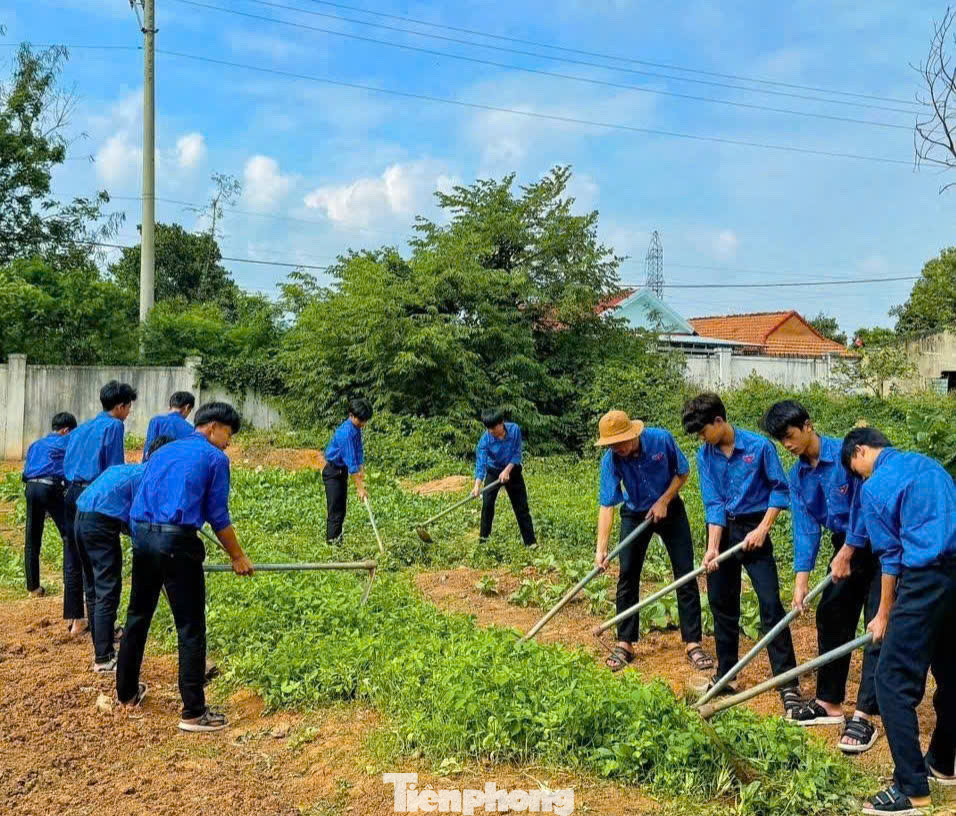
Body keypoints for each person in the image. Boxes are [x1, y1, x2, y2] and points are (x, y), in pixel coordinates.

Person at [117, 402, 254, 731]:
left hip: (143, 537)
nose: (229, 442)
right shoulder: (215, 458)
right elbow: (218, 515)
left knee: (137, 617)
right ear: (213, 427)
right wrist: (237, 556)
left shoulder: (163, 452)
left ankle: (127, 694)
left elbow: (143, 494)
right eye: (228, 434)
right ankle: (193, 711)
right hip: (177, 543)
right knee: (190, 627)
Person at [842, 428, 956, 816]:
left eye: (855, 470)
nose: (860, 477)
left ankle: (911, 789)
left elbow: (890, 557)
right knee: (951, 671)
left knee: (890, 680)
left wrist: (884, 613)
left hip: (923, 578)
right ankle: (942, 760)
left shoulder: (874, 487)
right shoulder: (931, 466)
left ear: (860, 452)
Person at [762, 401, 882, 753]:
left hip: (880, 544)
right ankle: (829, 702)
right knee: (831, 614)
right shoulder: (798, 476)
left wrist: (849, 550)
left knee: (877, 625)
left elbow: (865, 504)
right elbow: (805, 529)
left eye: (790, 435)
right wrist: (801, 582)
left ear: (808, 425)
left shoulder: (845, 456)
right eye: (780, 439)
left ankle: (864, 714)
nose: (787, 444)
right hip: (843, 546)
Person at [681, 392, 804, 718]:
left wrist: (763, 528)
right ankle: (727, 673)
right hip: (724, 532)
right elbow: (714, 504)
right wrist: (712, 548)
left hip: (756, 529)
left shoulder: (759, 447)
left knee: (769, 604)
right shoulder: (705, 456)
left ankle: (787, 681)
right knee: (723, 604)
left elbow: (780, 489)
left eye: (704, 431)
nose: (702, 439)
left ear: (719, 421)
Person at [593, 410, 713, 673]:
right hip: (635, 513)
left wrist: (664, 500)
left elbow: (682, 472)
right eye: (612, 445)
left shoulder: (661, 440)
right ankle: (625, 642)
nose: (618, 449)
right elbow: (606, 506)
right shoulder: (611, 459)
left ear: (634, 433)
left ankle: (692, 642)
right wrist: (601, 549)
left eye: (621, 442)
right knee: (627, 575)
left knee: (685, 573)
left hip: (670, 509)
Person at [74, 435, 174, 672]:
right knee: (108, 588)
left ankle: (102, 642)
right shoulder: (148, 477)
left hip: (80, 517)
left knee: (94, 586)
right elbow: (138, 519)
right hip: (100, 524)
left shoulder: (126, 470)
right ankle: (104, 657)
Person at [62, 381, 137, 636]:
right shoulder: (114, 425)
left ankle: (77, 619)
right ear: (119, 407)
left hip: (72, 492)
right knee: (101, 563)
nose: (128, 413)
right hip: (95, 495)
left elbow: (67, 462)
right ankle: (103, 627)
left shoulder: (81, 429)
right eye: (128, 408)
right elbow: (114, 469)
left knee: (75, 555)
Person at [21, 412, 77, 597]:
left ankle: (33, 588)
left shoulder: (35, 444)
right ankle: (70, 583)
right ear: (66, 430)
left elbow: (25, 473)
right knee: (69, 535)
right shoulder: (67, 442)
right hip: (51, 487)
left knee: (32, 537)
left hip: (31, 487)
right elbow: (71, 471)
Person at [471, 409, 536, 548]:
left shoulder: (514, 430)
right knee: (487, 505)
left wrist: (507, 470)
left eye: (493, 428)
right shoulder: (485, 440)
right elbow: (481, 463)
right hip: (493, 471)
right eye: (488, 428)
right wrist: (477, 485)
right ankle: (483, 544)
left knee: (521, 507)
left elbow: (517, 453)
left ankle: (531, 544)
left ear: (501, 423)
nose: (491, 431)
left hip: (512, 470)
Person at [323, 398, 373, 543]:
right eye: (361, 420)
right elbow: (351, 464)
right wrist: (360, 489)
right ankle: (332, 544)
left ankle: (338, 541)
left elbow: (358, 450)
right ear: (351, 415)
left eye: (365, 421)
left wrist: (361, 468)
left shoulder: (355, 429)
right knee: (335, 511)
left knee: (341, 510)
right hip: (333, 473)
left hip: (341, 471)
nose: (363, 424)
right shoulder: (345, 434)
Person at [143, 391, 195, 461]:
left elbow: (148, 451)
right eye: (190, 410)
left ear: (170, 407)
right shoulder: (191, 429)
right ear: (187, 407)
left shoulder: (156, 421)